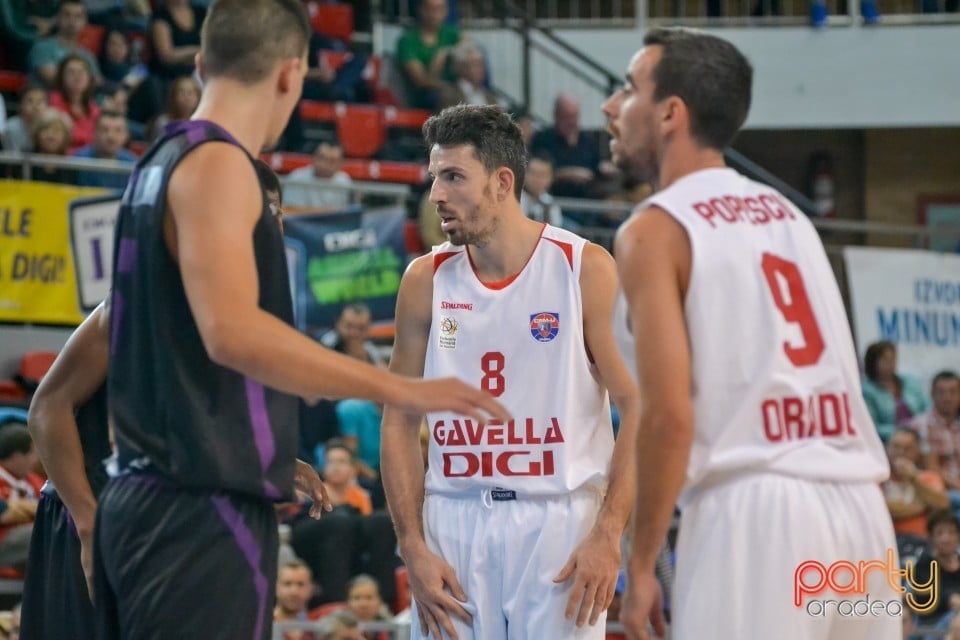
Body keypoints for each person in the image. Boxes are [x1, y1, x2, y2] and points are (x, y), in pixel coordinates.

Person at [95, 2, 507, 639]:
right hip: (195, 508)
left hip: (152, 494)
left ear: (203, 64)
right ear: (292, 74)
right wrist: (404, 388)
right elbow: (231, 333)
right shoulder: (221, 165)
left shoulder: (156, 163)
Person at [605, 28, 897, 640]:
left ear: (669, 113)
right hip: (861, 510)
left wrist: (643, 563)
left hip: (758, 513)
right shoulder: (790, 214)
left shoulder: (654, 230)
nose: (611, 106)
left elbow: (668, 417)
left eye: (628, 88)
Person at [21, 161, 325, 640]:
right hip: (95, 510)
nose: (269, 225)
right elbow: (46, 409)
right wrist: (87, 522)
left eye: (276, 212)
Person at [380, 104, 639, 640]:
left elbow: (640, 407)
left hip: (557, 524)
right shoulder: (424, 280)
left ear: (502, 182)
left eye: (453, 177)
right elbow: (399, 420)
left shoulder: (582, 267)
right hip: (452, 521)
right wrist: (412, 543)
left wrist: (609, 532)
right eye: (433, 178)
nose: (436, 196)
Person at [861, 340, 928, 442]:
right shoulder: (867, 391)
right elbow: (872, 427)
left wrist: (922, 423)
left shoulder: (909, 380)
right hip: (890, 440)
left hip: (920, 435)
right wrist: (904, 430)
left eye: (893, 359)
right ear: (873, 363)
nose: (891, 364)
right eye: (885, 360)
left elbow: (927, 406)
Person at [73, 109, 137, 189]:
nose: (111, 136)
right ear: (94, 132)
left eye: (118, 130)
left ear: (126, 135)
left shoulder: (133, 164)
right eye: (104, 130)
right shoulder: (76, 162)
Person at [283, 139, 353, 210]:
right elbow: (291, 212)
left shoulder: (345, 181)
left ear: (340, 164)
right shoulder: (296, 177)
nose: (326, 164)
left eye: (332, 161)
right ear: (314, 157)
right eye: (322, 158)